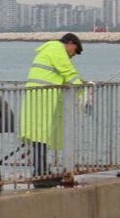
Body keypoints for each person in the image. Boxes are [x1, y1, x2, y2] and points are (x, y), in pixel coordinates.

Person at [21, 32, 84, 186]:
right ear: (70, 43)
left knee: (40, 135)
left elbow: (60, 75)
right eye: (74, 51)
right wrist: (83, 90)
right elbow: (67, 71)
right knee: (40, 135)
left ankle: (42, 171)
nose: (72, 56)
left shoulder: (51, 49)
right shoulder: (56, 48)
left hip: (40, 95)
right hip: (42, 96)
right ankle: (40, 174)